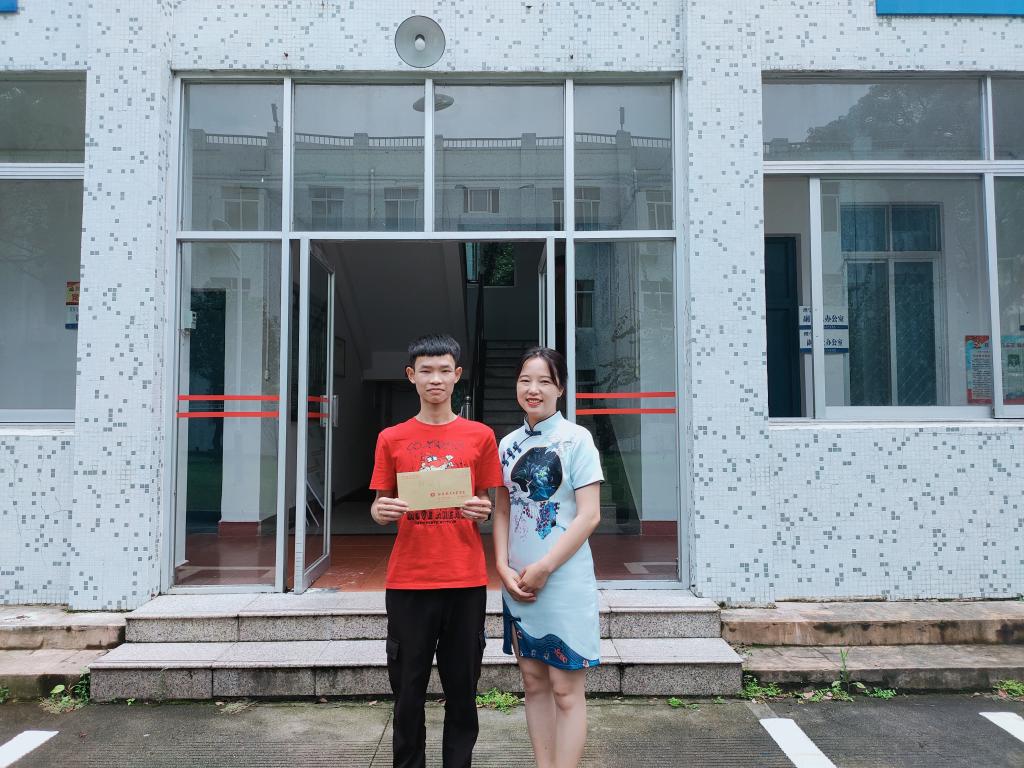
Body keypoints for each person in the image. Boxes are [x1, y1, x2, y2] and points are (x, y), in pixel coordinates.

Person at [369, 333, 503, 768]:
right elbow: (379, 505)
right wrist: (381, 511)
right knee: (407, 690)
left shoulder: (480, 436)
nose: (435, 379)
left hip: (465, 579)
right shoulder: (391, 438)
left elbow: (487, 503)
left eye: (444, 370)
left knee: (463, 689)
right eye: (426, 371)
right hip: (409, 581)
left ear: (457, 375)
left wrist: (483, 509)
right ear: (411, 376)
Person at [492, 347, 603, 768]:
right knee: (533, 683)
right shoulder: (507, 444)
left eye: (544, 381)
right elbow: (503, 510)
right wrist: (501, 567)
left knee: (566, 690)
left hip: (563, 581)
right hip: (518, 582)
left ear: (560, 388)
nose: (533, 389)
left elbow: (589, 515)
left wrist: (545, 567)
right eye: (525, 380)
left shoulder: (578, 439)